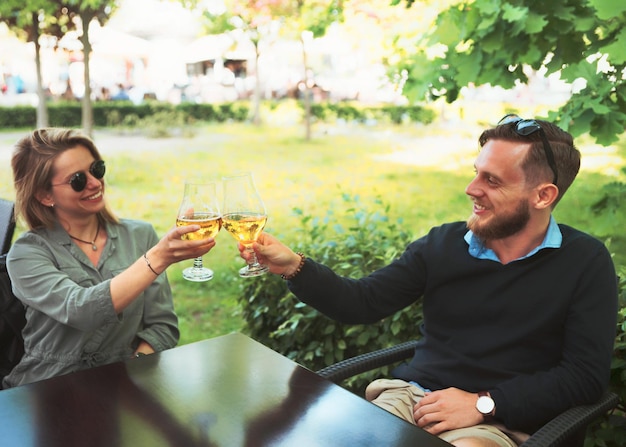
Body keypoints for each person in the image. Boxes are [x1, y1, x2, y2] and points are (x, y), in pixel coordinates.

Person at [238, 115, 618, 447]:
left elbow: (584, 377)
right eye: (475, 172)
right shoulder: (443, 244)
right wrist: (293, 266)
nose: (472, 189)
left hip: (500, 420)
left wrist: (484, 403)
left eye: (492, 180)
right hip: (411, 399)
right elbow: (363, 302)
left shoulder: (585, 262)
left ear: (543, 195)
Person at [2, 128, 215, 389]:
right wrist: (157, 258)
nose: (94, 183)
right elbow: (80, 309)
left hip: (120, 391)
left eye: (97, 169)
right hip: (44, 391)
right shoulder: (26, 253)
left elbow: (162, 327)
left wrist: (130, 370)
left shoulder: (140, 235)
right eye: (78, 180)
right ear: (45, 195)